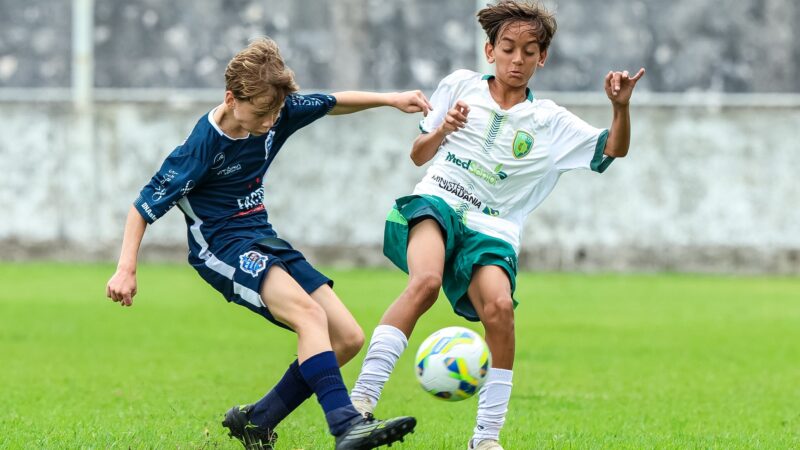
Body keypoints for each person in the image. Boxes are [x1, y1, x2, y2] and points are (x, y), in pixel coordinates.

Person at [105, 37, 432, 450]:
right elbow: (143, 206)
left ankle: (258, 420)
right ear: (231, 98)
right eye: (261, 112)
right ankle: (347, 424)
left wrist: (389, 99)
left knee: (347, 337)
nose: (270, 121)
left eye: (276, 112)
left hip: (264, 238)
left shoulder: (276, 110)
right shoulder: (201, 148)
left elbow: (333, 102)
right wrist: (126, 268)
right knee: (310, 317)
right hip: (222, 249)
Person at [348, 2, 645, 449]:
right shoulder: (460, 85)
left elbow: (613, 150)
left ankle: (485, 438)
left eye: (529, 51)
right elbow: (418, 154)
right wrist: (442, 128)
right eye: (508, 48)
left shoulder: (549, 121)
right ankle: (359, 406)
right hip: (438, 200)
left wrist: (619, 108)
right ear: (490, 50)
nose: (517, 60)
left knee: (501, 311)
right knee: (425, 282)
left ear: (542, 58)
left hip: (494, 229)